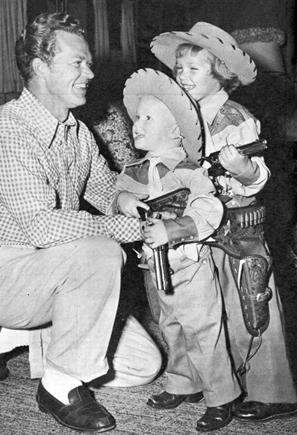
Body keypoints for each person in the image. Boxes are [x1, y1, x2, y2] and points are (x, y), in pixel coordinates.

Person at [0, 12, 162, 433]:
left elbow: (104, 189)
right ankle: (57, 386)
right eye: (78, 63)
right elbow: (42, 227)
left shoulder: (75, 129)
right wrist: (122, 230)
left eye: (88, 62)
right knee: (101, 252)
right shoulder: (6, 131)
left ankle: (14, 337)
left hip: (58, 272)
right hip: (8, 273)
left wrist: (124, 198)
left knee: (143, 365)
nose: (90, 73)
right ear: (40, 67)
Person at [151, 21, 297, 422]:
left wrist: (244, 167)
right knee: (197, 310)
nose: (182, 76)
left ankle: (273, 392)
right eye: (179, 69)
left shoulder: (236, 117)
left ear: (222, 74)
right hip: (196, 229)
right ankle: (201, 380)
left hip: (238, 228)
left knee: (250, 308)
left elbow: (258, 179)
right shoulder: (181, 115)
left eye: (193, 69)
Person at [113, 67, 242, 432]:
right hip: (151, 266)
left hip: (188, 262)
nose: (137, 125)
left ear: (175, 130)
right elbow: (112, 198)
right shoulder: (134, 170)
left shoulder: (189, 170)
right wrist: (122, 198)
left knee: (203, 328)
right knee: (169, 324)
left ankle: (221, 395)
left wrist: (173, 228)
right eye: (137, 118)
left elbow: (209, 208)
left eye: (148, 118)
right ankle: (183, 383)